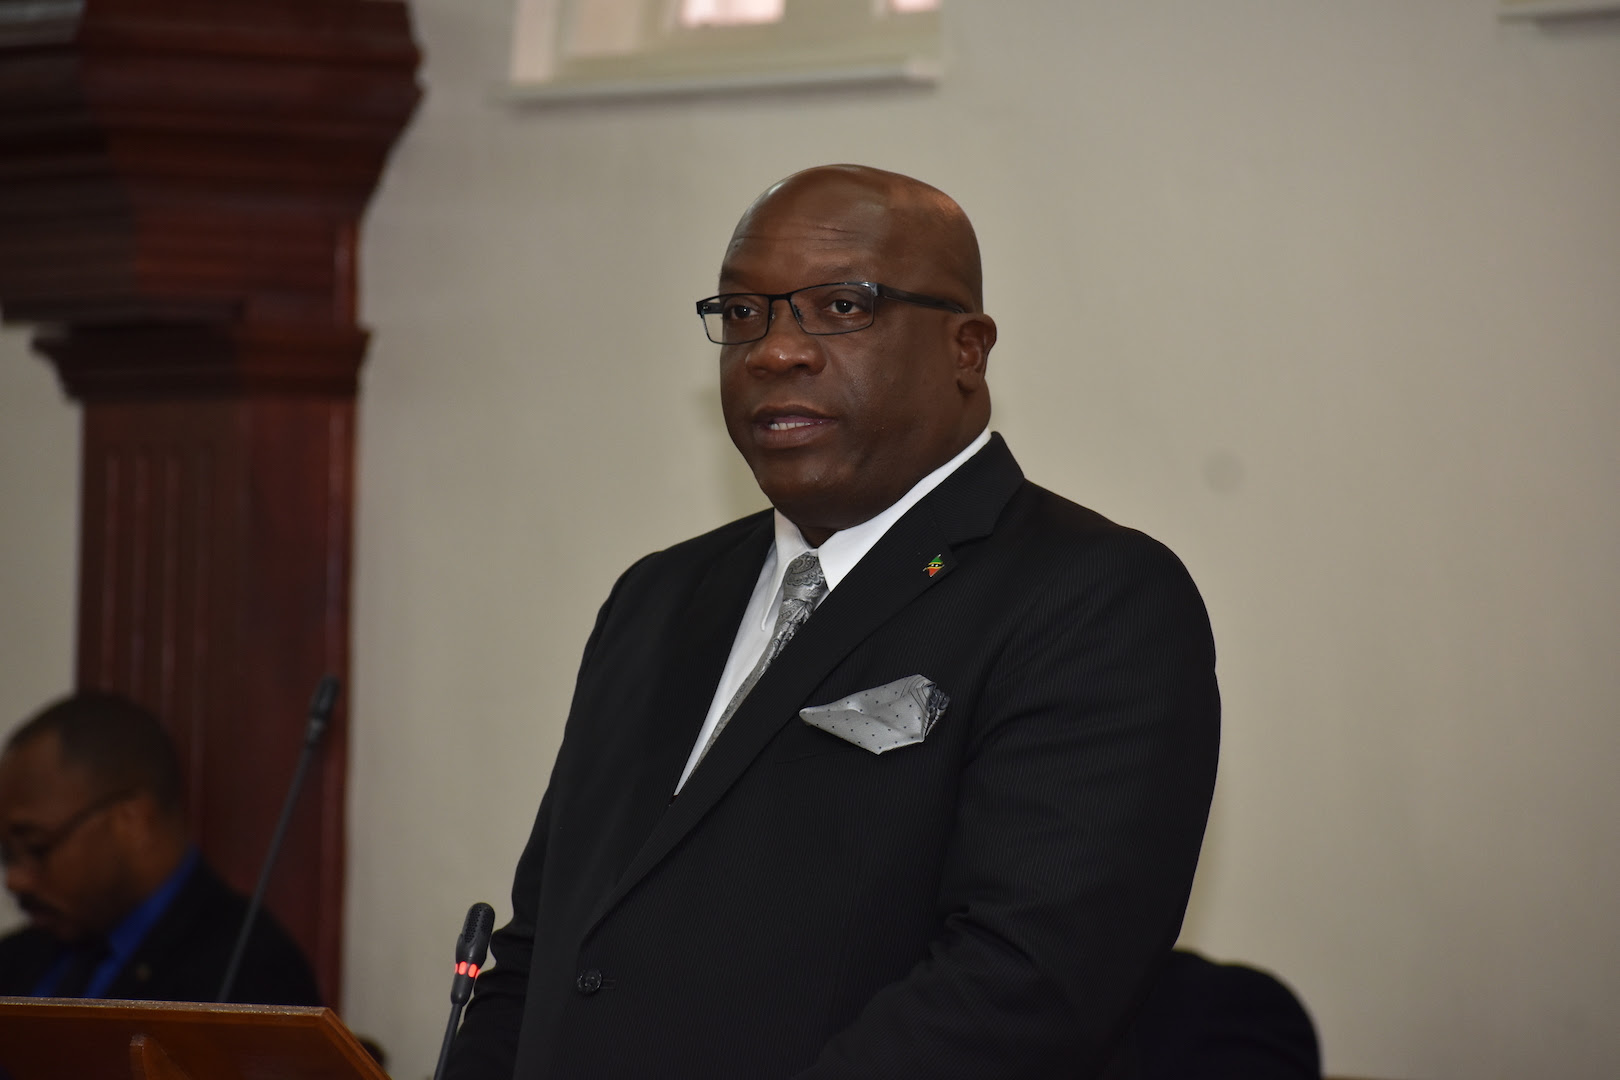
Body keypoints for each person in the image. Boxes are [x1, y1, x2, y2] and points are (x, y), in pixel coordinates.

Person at [446, 164, 1220, 1079]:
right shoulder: (656, 598)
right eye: (744, 314)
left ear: (967, 349)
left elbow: (1023, 986)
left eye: (843, 307)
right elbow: (546, 950)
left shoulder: (1092, 597)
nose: (775, 352)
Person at [0, 691, 320, 1005]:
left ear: (133, 820)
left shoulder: (246, 968)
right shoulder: (21, 957)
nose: (15, 880)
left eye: (36, 847)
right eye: (6, 854)